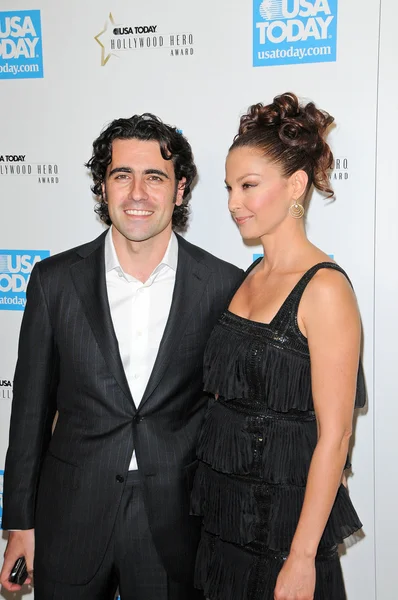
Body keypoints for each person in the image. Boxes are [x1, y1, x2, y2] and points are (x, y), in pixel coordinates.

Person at [0, 113, 243, 600]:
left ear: (180, 190)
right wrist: (19, 525)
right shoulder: (54, 282)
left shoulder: (223, 285)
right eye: (121, 176)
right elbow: (29, 412)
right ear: (101, 188)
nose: (137, 193)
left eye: (155, 177)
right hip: (70, 514)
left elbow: (229, 416)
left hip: (174, 523)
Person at [191, 93, 365, 600]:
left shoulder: (326, 289)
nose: (231, 203)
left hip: (286, 539)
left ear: (294, 186)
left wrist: (303, 557)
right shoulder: (248, 277)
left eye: (248, 186)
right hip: (225, 529)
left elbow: (334, 438)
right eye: (228, 187)